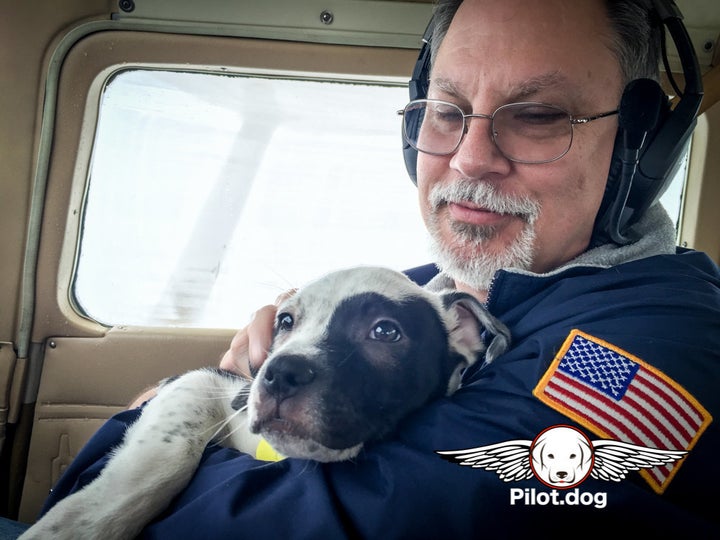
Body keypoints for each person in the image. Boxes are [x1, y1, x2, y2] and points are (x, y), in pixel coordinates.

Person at [23, 0, 720, 536]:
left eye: (537, 115)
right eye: (447, 110)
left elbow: (334, 524)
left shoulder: (646, 358)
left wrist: (144, 422)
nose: (470, 158)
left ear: (639, 147)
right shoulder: (429, 287)